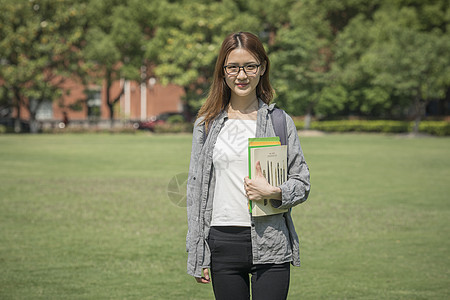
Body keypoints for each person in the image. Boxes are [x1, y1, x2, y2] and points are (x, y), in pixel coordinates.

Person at [186, 31, 310, 300]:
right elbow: (196, 192)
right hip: (222, 244)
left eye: (250, 66)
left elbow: (302, 183)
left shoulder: (279, 121)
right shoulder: (206, 125)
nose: (241, 75)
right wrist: (197, 253)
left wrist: (273, 192)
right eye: (233, 67)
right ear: (223, 71)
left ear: (262, 68)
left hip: (271, 245)